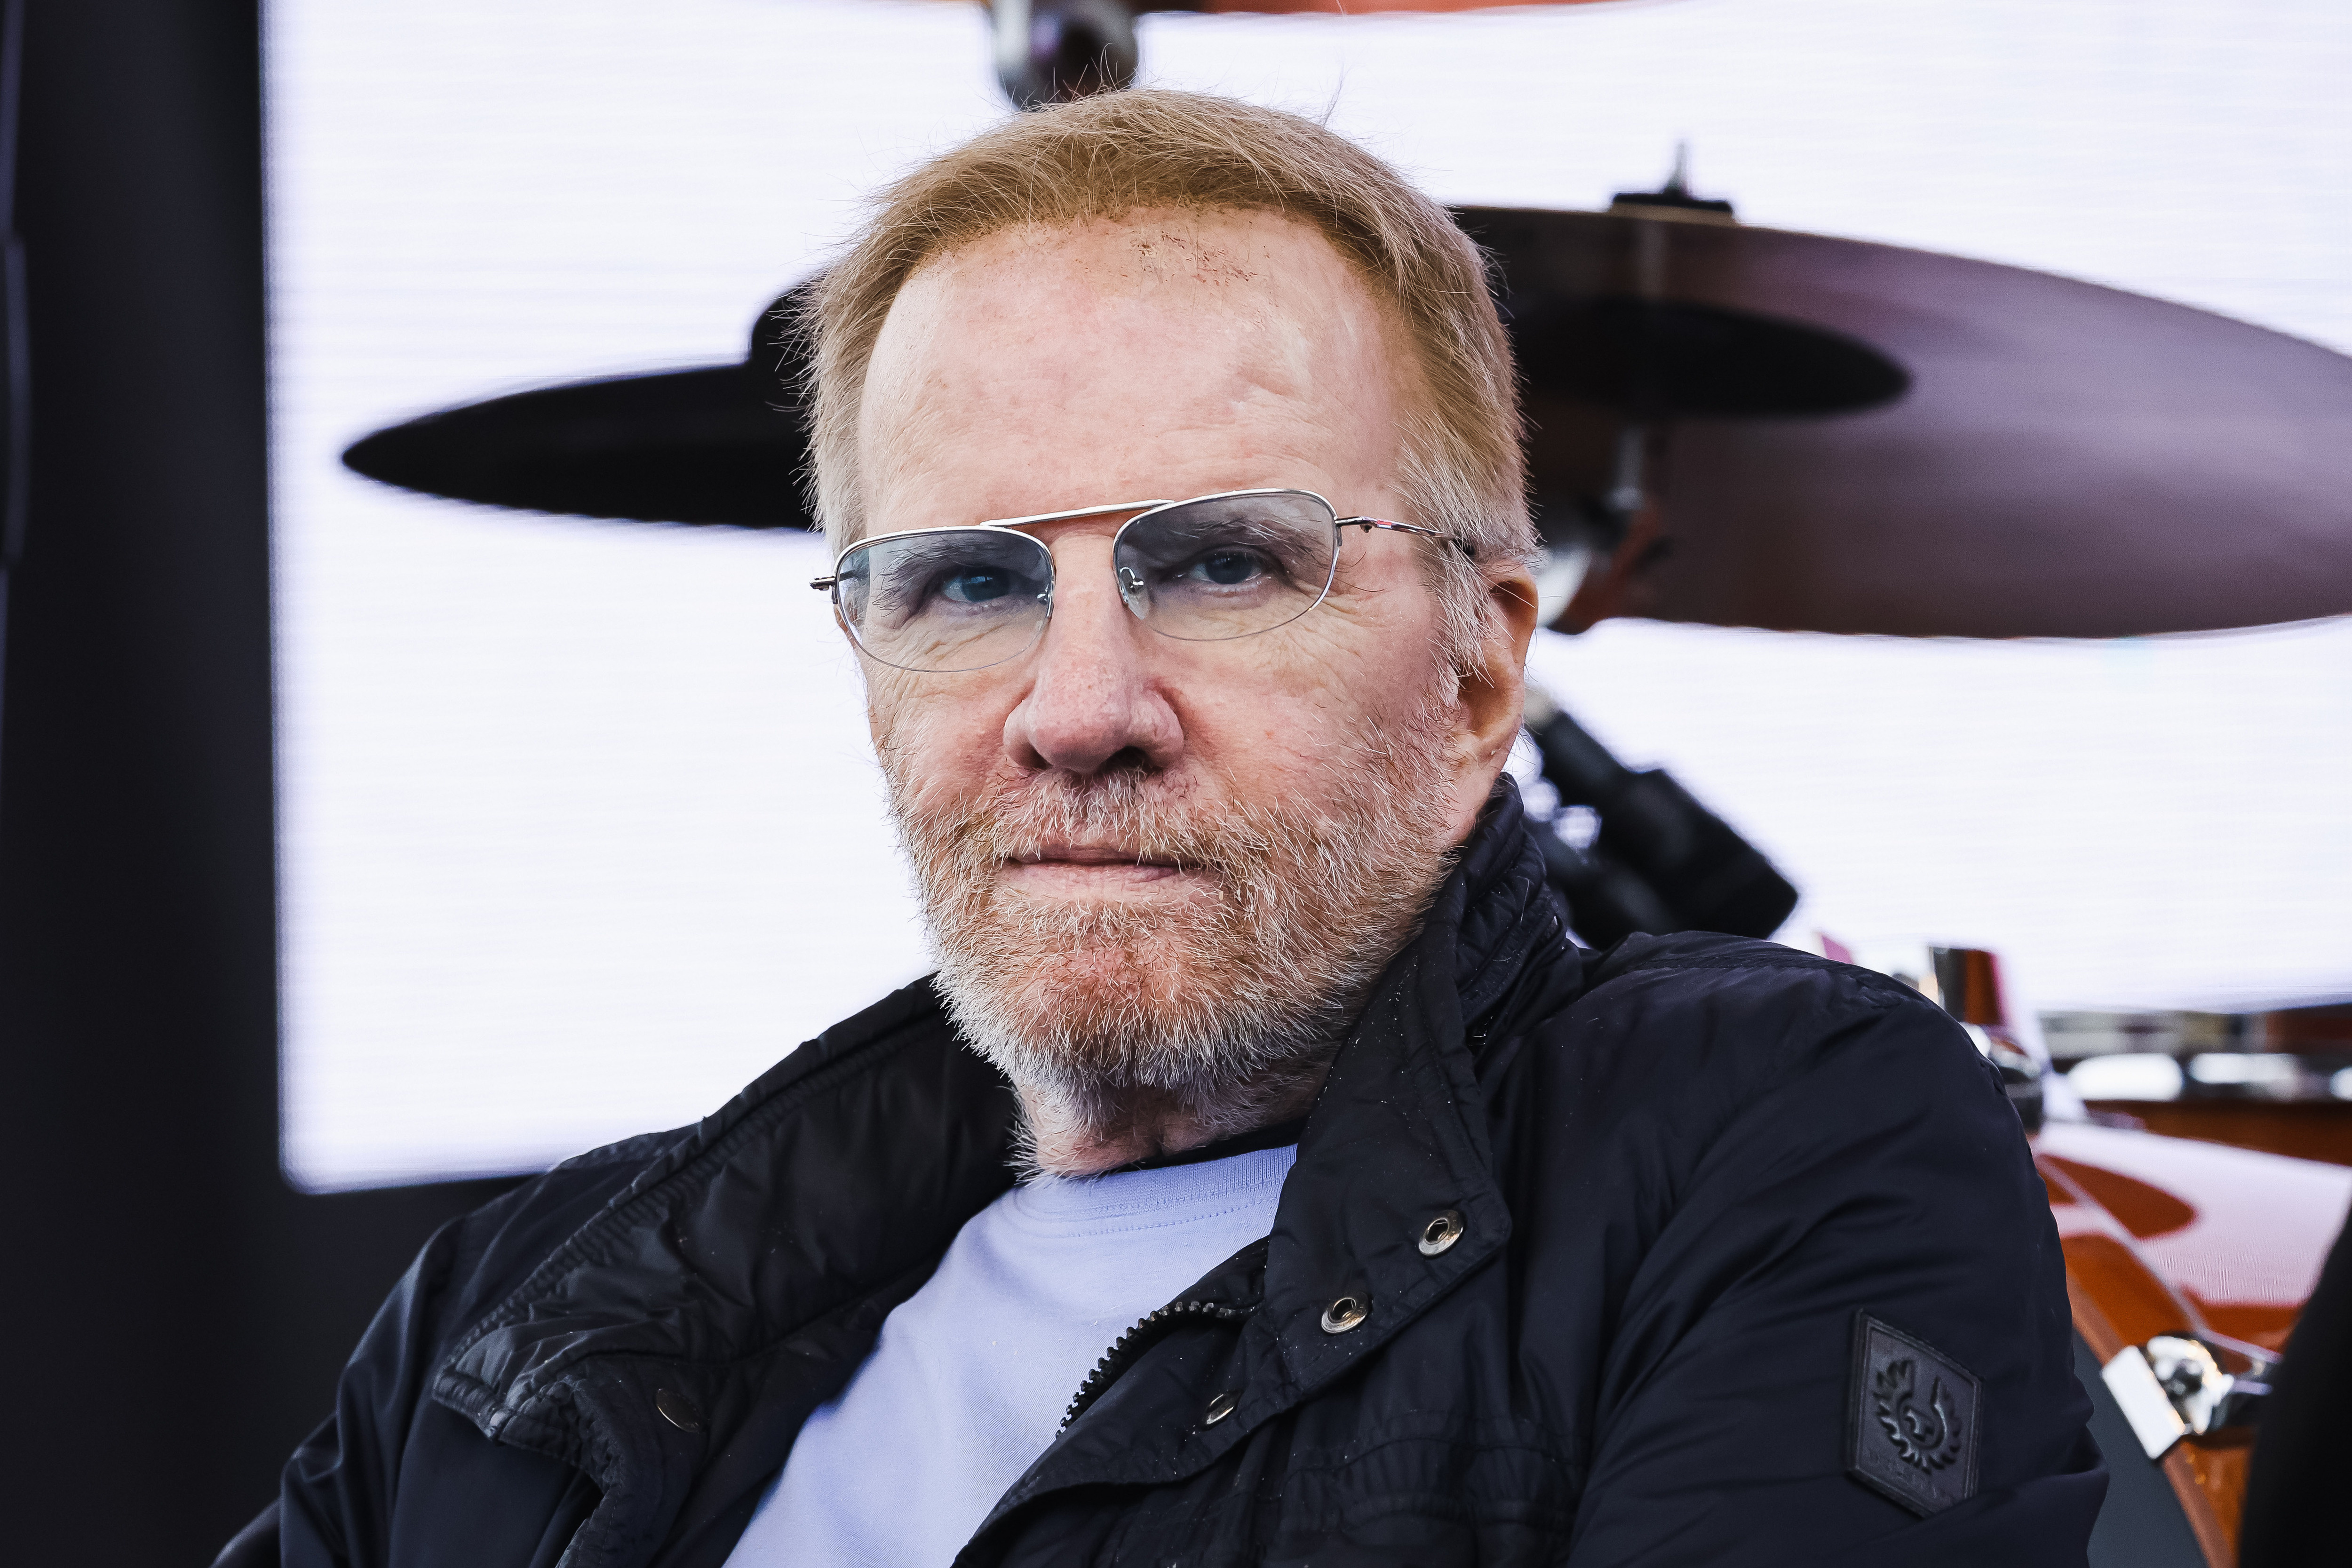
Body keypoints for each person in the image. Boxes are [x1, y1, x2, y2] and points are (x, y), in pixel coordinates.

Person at [220, 89, 2103, 1568]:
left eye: (1217, 564)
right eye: (962, 584)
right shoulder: (522, 1309)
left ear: (1471, 675)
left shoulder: (1764, 1141)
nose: (1076, 710)